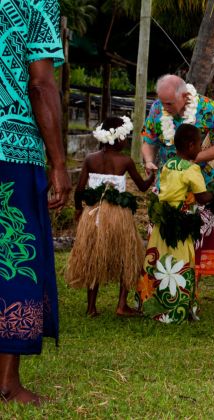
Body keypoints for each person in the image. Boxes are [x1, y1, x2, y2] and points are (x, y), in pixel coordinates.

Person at [0, 0, 72, 405]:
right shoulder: (34, 2)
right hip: (10, 151)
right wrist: (58, 162)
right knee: (14, 260)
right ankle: (7, 382)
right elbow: (41, 83)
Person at [141, 74, 214, 277]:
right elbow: (148, 138)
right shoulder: (157, 108)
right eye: (162, 102)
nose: (165, 107)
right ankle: (160, 283)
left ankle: (188, 288)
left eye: (169, 103)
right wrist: (148, 160)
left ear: (184, 95)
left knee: (193, 242)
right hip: (167, 187)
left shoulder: (209, 109)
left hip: (200, 184)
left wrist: (191, 162)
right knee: (163, 240)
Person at [66, 116, 155, 317]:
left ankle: (91, 308)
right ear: (120, 138)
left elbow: (79, 189)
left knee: (93, 257)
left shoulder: (90, 159)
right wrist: (152, 177)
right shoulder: (125, 160)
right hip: (118, 216)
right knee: (127, 255)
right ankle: (121, 305)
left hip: (93, 214)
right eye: (126, 136)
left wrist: (78, 208)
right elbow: (141, 187)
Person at [136, 124, 213, 324]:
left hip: (163, 223)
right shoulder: (192, 169)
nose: (200, 149)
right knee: (178, 262)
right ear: (190, 146)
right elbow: (202, 197)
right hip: (180, 226)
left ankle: (150, 301)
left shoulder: (168, 163)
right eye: (198, 145)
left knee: (160, 259)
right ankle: (175, 308)